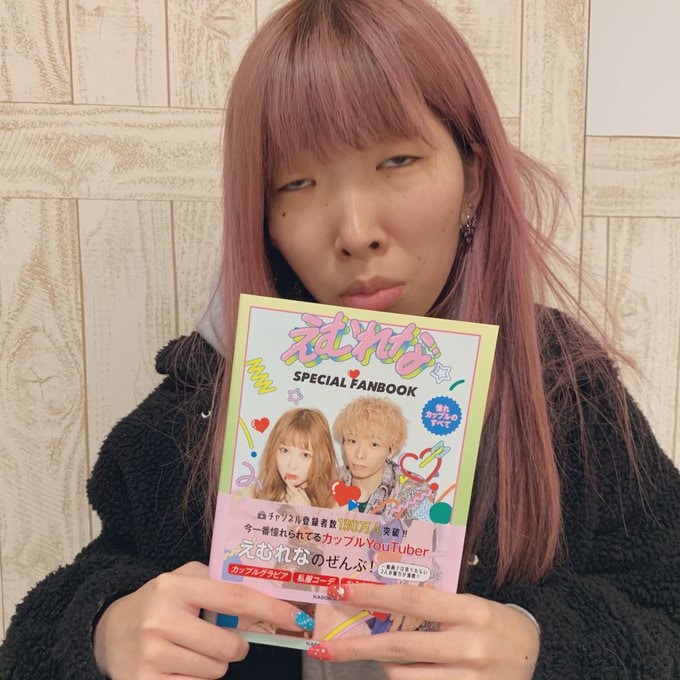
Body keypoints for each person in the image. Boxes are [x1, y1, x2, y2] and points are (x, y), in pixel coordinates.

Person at [1, 0, 679, 678]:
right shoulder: (203, 399)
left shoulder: (562, 387)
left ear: (472, 178)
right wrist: (104, 628)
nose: (354, 232)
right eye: (296, 182)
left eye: (397, 159)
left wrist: (540, 646)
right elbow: (61, 611)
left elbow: (664, 602)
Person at [332, 396, 432, 521]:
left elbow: (424, 532)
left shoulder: (416, 489)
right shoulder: (326, 483)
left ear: (392, 450)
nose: (360, 454)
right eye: (352, 441)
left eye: (374, 445)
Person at [252, 407, 336, 508]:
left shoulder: (338, 506)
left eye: (305, 455)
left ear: (322, 458)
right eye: (285, 450)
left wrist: (306, 514)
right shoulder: (253, 495)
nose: (292, 465)